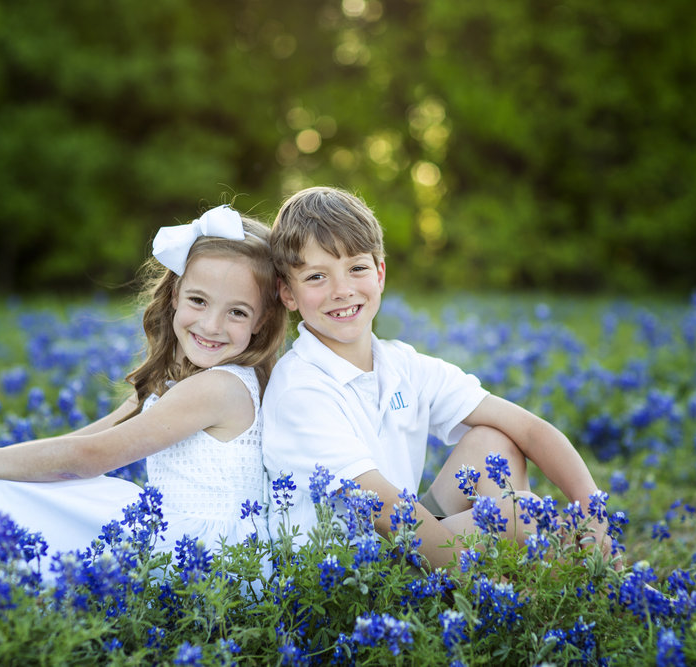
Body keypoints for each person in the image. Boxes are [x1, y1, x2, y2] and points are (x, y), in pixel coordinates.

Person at [0, 205, 288, 600]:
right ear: (175, 294)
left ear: (262, 320)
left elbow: (89, 456)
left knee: (18, 488)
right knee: (20, 480)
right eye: (198, 300)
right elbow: (90, 437)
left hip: (209, 563)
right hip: (176, 536)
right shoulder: (181, 378)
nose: (211, 325)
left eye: (237, 312)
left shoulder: (219, 387)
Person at [261, 186, 611, 571]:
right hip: (347, 575)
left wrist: (592, 512)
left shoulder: (402, 364)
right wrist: (527, 536)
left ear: (380, 274)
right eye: (316, 277)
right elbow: (384, 508)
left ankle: (518, 575)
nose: (342, 290)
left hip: (406, 542)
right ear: (287, 293)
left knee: (493, 440)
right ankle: (520, 580)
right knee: (521, 517)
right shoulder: (300, 389)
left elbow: (528, 429)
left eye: (356, 268)